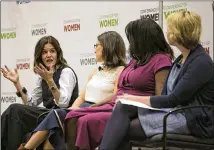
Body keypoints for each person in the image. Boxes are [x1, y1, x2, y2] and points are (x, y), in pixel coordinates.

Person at [99, 10, 214, 150]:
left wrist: (133, 98)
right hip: (174, 112)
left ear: (178, 32)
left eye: (170, 28)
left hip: (192, 119)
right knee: (123, 107)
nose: (166, 32)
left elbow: (172, 99)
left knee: (123, 129)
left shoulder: (200, 62)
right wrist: (129, 100)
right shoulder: (181, 59)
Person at [65, 18, 174, 150]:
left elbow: (160, 98)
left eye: (132, 38)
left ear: (143, 39)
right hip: (115, 105)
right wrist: (95, 106)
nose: (130, 43)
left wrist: (134, 101)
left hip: (135, 110)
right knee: (72, 116)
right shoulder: (135, 60)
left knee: (85, 120)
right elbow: (117, 93)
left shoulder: (161, 60)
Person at [18, 31, 127, 150]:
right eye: (44, 52)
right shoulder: (96, 71)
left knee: (56, 114)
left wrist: (93, 106)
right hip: (84, 107)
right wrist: (72, 110)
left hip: (99, 108)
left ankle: (26, 148)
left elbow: (116, 95)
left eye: (97, 45)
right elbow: (81, 97)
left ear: (107, 47)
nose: (95, 50)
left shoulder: (121, 71)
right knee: (57, 121)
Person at [1, 35, 78, 150]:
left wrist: (50, 81)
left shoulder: (66, 72)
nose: (48, 55)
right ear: (40, 56)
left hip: (62, 117)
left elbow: (63, 103)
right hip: (47, 115)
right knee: (11, 114)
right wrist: (17, 84)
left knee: (14, 109)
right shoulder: (42, 77)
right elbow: (31, 104)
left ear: (58, 54)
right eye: (44, 52)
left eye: (52, 51)